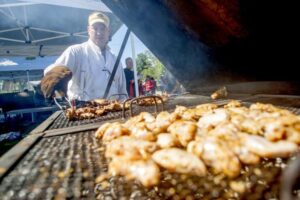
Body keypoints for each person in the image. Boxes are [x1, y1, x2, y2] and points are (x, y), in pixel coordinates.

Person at [40, 11, 127, 101]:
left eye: (102, 28)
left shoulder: (115, 59)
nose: (99, 33)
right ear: (89, 30)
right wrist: (53, 77)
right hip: (83, 110)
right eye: (95, 28)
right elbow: (53, 71)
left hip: (114, 111)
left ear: (108, 31)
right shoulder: (75, 52)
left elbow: (122, 92)